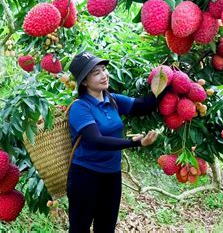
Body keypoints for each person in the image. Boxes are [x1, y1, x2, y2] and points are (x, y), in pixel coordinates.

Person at [67, 51, 160, 233]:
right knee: (79, 228)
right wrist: (134, 143)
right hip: (85, 177)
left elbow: (143, 106)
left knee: (106, 228)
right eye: (96, 73)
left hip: (111, 176)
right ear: (84, 82)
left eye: (103, 69)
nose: (104, 75)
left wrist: (169, 81)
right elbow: (96, 140)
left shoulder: (113, 100)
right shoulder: (80, 107)